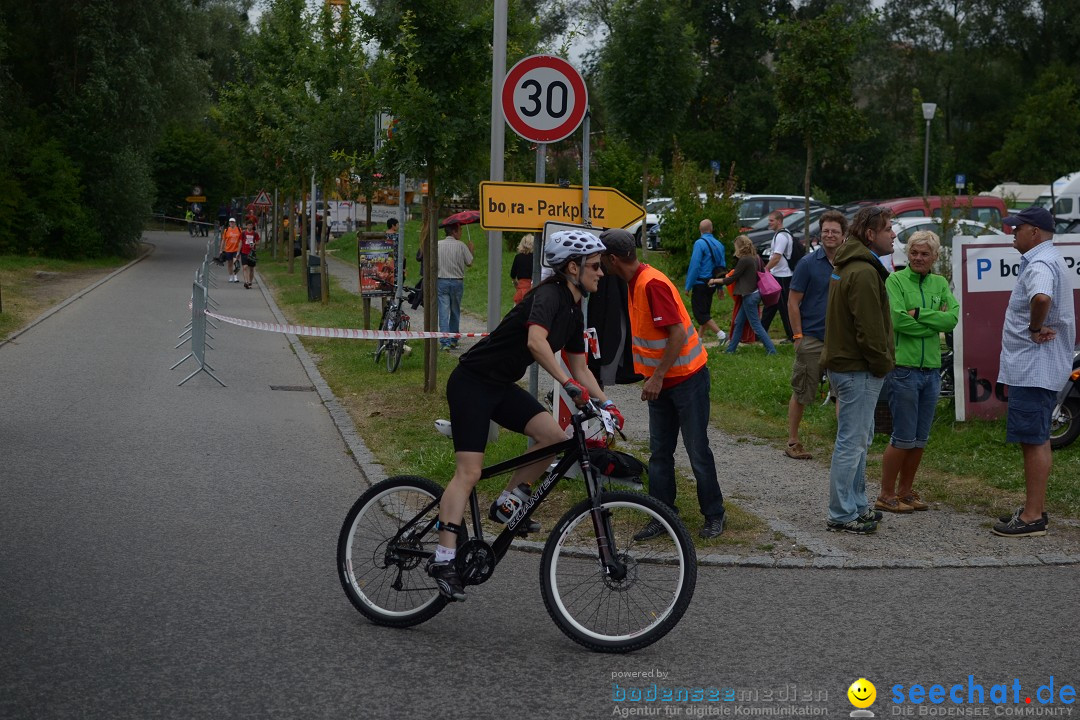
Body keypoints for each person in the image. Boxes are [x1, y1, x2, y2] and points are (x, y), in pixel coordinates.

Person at [426, 230, 624, 601]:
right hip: (471, 383)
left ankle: (507, 504)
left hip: (499, 387)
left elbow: (580, 369)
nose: (602, 272)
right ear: (572, 266)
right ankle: (444, 558)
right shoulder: (548, 296)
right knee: (468, 472)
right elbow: (536, 343)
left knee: (555, 439)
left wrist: (608, 406)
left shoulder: (573, 309)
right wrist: (567, 386)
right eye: (595, 266)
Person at [601, 228, 726, 540]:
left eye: (601, 258)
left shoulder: (651, 283)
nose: (597, 263)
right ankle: (662, 515)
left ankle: (714, 514)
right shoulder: (632, 281)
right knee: (659, 453)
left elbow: (678, 335)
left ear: (613, 259)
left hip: (686, 380)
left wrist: (656, 377)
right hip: (662, 382)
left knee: (697, 450)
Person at [992, 206, 1076, 537]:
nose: (1012, 233)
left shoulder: (1040, 263)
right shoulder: (1048, 258)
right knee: (1035, 436)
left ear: (1035, 233)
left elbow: (1041, 298)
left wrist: (1034, 327)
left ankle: (1032, 516)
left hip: (1034, 367)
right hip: (1037, 367)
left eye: (1017, 229)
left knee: (1033, 438)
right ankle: (1035, 508)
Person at [820, 205, 896, 534]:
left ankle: (857, 504)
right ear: (870, 234)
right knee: (852, 442)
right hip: (857, 368)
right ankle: (841, 512)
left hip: (850, 366)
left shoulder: (850, 264)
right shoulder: (863, 271)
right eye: (888, 228)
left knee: (860, 440)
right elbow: (869, 330)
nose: (893, 234)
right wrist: (882, 364)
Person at [874, 230, 959, 513]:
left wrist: (920, 314)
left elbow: (952, 319)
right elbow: (897, 321)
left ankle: (906, 491)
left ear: (935, 257)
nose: (919, 258)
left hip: (932, 370)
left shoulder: (939, 282)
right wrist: (934, 322)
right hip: (904, 370)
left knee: (920, 438)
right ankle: (886, 494)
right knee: (903, 437)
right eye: (914, 253)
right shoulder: (895, 281)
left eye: (925, 254)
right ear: (907, 254)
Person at [784, 210, 847, 460]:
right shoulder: (808, 263)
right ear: (820, 234)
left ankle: (844, 447)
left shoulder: (849, 262)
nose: (830, 235)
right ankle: (792, 441)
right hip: (811, 337)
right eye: (826, 231)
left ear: (844, 235)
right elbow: (792, 302)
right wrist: (797, 336)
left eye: (835, 231)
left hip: (842, 340)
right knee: (802, 391)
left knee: (842, 392)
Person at [709, 235, 776, 355]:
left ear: (739, 247)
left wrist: (714, 281)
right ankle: (730, 350)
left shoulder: (745, 260)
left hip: (749, 296)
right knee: (738, 322)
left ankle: (772, 351)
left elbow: (731, 279)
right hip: (754, 294)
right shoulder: (755, 257)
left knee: (756, 325)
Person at [684, 219, 727, 342]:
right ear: (711, 229)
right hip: (713, 283)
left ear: (700, 230)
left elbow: (695, 265)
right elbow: (721, 267)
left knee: (700, 314)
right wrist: (720, 287)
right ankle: (699, 340)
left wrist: (688, 285)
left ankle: (721, 335)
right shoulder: (719, 245)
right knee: (705, 311)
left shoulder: (699, 243)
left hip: (701, 283)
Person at [436, 221, 474, 351]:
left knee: (443, 311)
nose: (461, 233)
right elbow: (469, 262)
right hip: (457, 281)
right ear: (454, 231)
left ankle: (444, 341)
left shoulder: (438, 245)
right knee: (455, 311)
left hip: (441, 280)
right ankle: (453, 339)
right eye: (460, 230)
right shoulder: (461, 246)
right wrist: (471, 251)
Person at [759, 211, 796, 342]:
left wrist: (765, 270)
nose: (769, 223)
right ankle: (760, 332)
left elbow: (776, 257)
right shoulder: (780, 234)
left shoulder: (781, 236)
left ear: (779, 221)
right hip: (778, 275)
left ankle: (792, 335)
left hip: (783, 276)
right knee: (771, 304)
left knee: (784, 307)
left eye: (771, 221)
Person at [510, 233, 535, 304]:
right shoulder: (537, 258)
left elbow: (512, 275)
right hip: (534, 288)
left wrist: (515, 284)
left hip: (521, 290)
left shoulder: (518, 257)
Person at [219, 218, 242, 283]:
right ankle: (230, 276)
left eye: (233, 222)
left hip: (236, 249)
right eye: (230, 222)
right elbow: (223, 240)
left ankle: (235, 276)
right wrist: (221, 249)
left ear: (235, 223)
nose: (232, 223)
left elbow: (241, 240)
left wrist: (239, 250)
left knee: (236, 263)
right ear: (229, 223)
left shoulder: (239, 230)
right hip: (228, 250)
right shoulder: (226, 230)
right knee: (229, 264)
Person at [239, 220, 260, 289]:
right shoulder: (243, 233)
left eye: (251, 225)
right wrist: (238, 252)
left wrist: (254, 244)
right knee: (245, 267)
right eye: (248, 225)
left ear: (252, 226)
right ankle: (246, 281)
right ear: (246, 226)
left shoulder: (255, 234)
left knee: (251, 268)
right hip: (244, 252)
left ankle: (250, 281)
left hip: (252, 253)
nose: (250, 226)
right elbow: (240, 242)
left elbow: (258, 242)